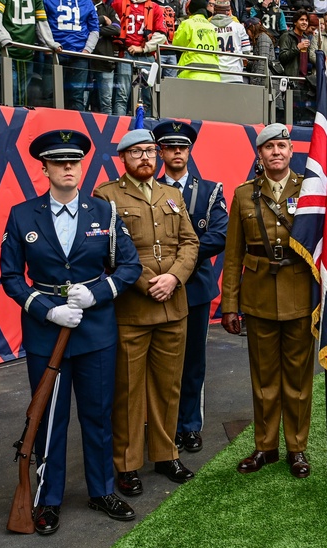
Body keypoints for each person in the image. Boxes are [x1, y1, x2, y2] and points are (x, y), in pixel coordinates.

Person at [0, 130, 143, 535]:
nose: (68, 168)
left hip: (95, 329)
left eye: (74, 162)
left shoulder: (104, 212)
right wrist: (47, 310)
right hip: (47, 332)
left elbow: (129, 267)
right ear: (43, 168)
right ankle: (48, 496)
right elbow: (10, 276)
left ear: (82, 167)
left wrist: (96, 292)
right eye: (59, 162)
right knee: (48, 417)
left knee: (98, 414)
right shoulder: (22, 215)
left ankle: (101, 489)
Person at [91, 128, 200, 492]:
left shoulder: (172, 194)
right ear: (123, 158)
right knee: (128, 390)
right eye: (136, 152)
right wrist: (147, 281)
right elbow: (109, 251)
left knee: (168, 387)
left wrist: (174, 278)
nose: (145, 158)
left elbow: (190, 242)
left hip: (174, 305)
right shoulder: (106, 195)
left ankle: (167, 454)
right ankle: (127, 463)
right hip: (132, 308)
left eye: (150, 152)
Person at [220, 124, 316, 479]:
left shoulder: (311, 188)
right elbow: (233, 255)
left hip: (300, 293)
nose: (275, 152)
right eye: (268, 147)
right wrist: (230, 304)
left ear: (291, 152)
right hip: (258, 295)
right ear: (259, 155)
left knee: (297, 379)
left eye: (281, 146)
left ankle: (297, 447)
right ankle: (265, 446)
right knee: (263, 379)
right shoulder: (245, 194)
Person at [153, 121, 229, 453]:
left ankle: (189, 425)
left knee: (192, 362)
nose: (177, 152)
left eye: (182, 147)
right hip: (156, 289)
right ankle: (159, 425)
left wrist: (179, 262)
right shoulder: (147, 190)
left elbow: (219, 235)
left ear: (189, 150)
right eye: (170, 147)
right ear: (161, 152)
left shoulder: (210, 190)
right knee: (157, 364)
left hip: (194, 287)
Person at [0, 0, 58, 106]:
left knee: (23, 95)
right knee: (11, 90)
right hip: (5, 51)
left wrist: (50, 42)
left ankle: (19, 119)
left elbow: (41, 21)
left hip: (26, 53)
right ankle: (7, 119)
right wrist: (2, 36)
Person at [112, 0, 167, 116]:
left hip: (145, 56)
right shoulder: (119, 3)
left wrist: (143, 48)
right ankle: (120, 127)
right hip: (127, 54)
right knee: (122, 95)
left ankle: (145, 129)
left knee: (147, 98)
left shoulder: (155, 7)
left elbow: (162, 35)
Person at [45, 0, 100, 110]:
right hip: (54, 53)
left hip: (79, 56)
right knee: (50, 94)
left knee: (76, 97)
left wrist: (87, 50)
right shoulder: (48, 1)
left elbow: (94, 29)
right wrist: (47, 44)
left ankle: (75, 127)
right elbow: (41, 23)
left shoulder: (87, 3)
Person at [172, 0, 222, 81]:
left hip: (191, 72)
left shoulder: (187, 23)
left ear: (190, 9)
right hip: (213, 74)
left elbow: (177, 44)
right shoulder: (211, 26)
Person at [211, 0, 253, 83]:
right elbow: (246, 51)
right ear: (228, 11)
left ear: (214, 11)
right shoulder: (238, 27)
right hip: (234, 74)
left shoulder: (208, 27)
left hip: (215, 74)